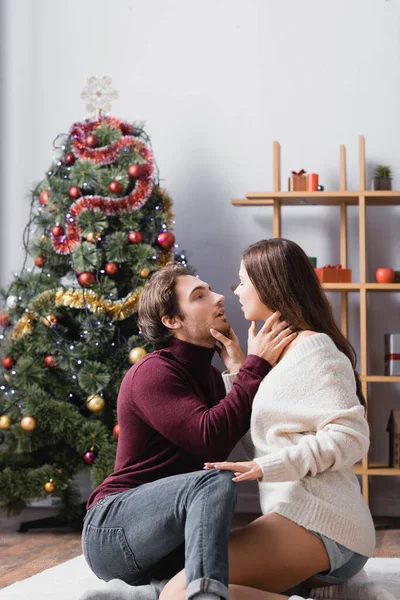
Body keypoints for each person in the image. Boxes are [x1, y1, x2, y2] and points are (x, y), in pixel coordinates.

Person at [160, 239, 377, 600]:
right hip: (297, 518)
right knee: (199, 586)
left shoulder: (312, 347)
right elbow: (261, 440)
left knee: (181, 593)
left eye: (242, 281)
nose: (235, 291)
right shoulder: (281, 354)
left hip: (326, 524)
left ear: (269, 284)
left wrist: (266, 468)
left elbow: (351, 437)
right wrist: (238, 370)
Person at [80, 264, 296, 600]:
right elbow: (211, 440)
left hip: (164, 542)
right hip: (110, 529)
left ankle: (150, 593)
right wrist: (253, 366)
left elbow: (242, 439)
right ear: (172, 320)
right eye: (200, 295)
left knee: (264, 568)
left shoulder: (209, 377)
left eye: (210, 290)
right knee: (215, 479)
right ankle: (204, 598)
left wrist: (239, 369)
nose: (219, 297)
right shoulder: (153, 372)